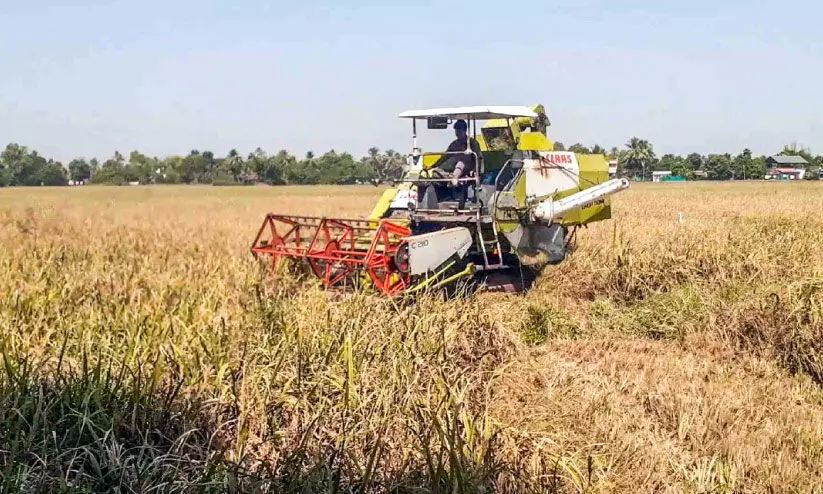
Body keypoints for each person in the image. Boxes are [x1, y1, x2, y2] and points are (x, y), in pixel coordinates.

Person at [428, 119, 482, 186]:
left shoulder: (473, 143)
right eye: (456, 130)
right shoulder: (454, 144)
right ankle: (452, 178)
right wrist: (432, 166)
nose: (457, 132)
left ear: (464, 130)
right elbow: (444, 157)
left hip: (468, 170)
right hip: (453, 169)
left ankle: (454, 178)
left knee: (461, 162)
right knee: (435, 173)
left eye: (459, 129)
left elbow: (479, 158)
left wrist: (475, 170)